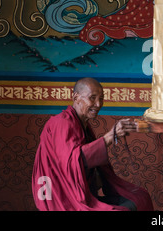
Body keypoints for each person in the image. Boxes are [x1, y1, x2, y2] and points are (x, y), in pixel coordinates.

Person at [32, 77, 153, 211]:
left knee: (141, 197)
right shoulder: (62, 123)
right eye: (92, 98)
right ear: (76, 97)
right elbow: (73, 162)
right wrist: (110, 136)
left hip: (80, 192)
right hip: (62, 197)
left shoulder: (82, 124)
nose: (98, 104)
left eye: (101, 98)